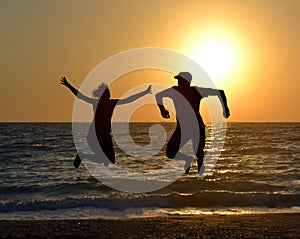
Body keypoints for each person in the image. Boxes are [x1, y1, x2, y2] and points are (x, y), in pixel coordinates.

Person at [60, 76, 152, 168]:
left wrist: (145, 92)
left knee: (110, 161)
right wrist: (68, 85)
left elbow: (129, 99)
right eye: (107, 93)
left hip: (105, 135)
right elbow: (80, 96)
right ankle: (82, 156)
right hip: (94, 135)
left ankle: (84, 156)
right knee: (105, 160)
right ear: (103, 95)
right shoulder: (96, 102)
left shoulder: (111, 103)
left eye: (109, 92)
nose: (109, 94)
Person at [155, 72, 230, 176]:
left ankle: (200, 175)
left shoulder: (195, 91)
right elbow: (158, 95)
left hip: (197, 127)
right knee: (170, 153)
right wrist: (162, 109)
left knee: (199, 153)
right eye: (178, 80)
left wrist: (225, 109)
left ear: (186, 81)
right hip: (182, 128)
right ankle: (187, 159)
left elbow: (220, 92)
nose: (178, 82)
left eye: (180, 80)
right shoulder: (175, 90)